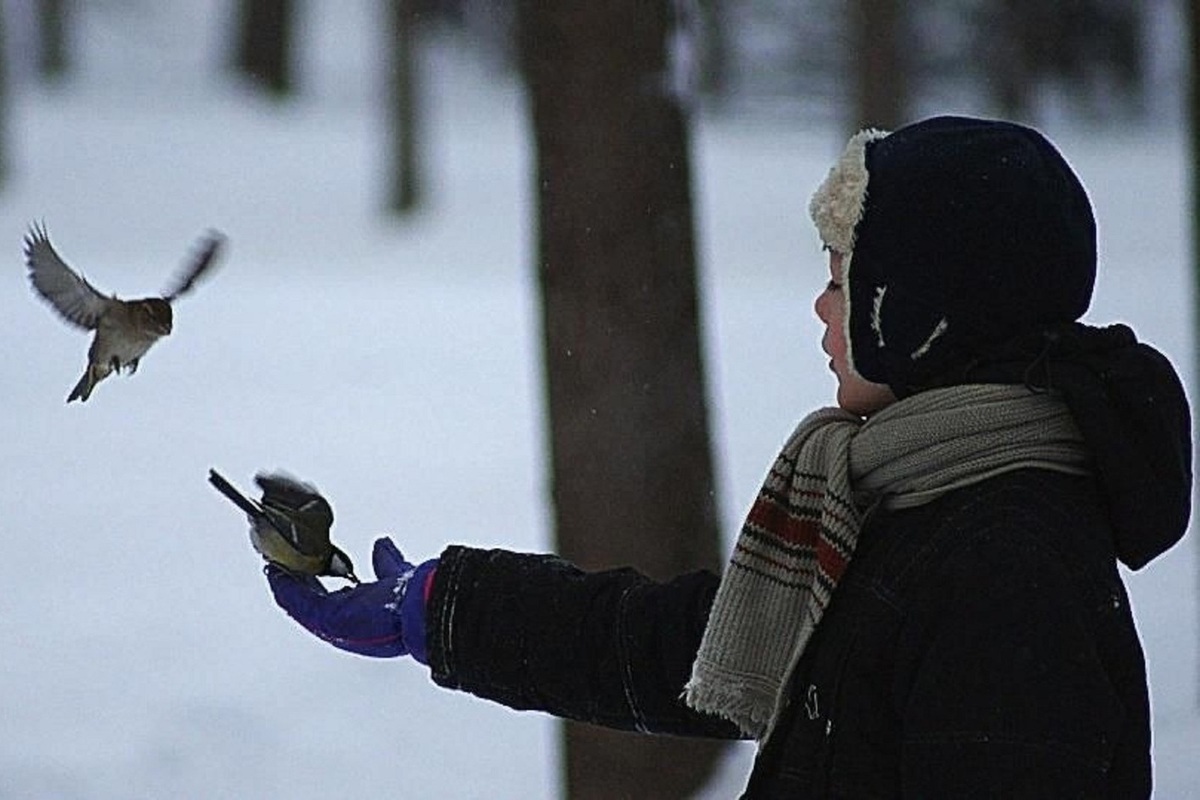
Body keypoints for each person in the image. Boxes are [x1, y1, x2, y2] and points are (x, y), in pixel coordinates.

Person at [257, 116, 1191, 798]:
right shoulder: (913, 500)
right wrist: (448, 609)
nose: (822, 311)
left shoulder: (1007, 573)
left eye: (841, 280)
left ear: (921, 314)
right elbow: (693, 649)